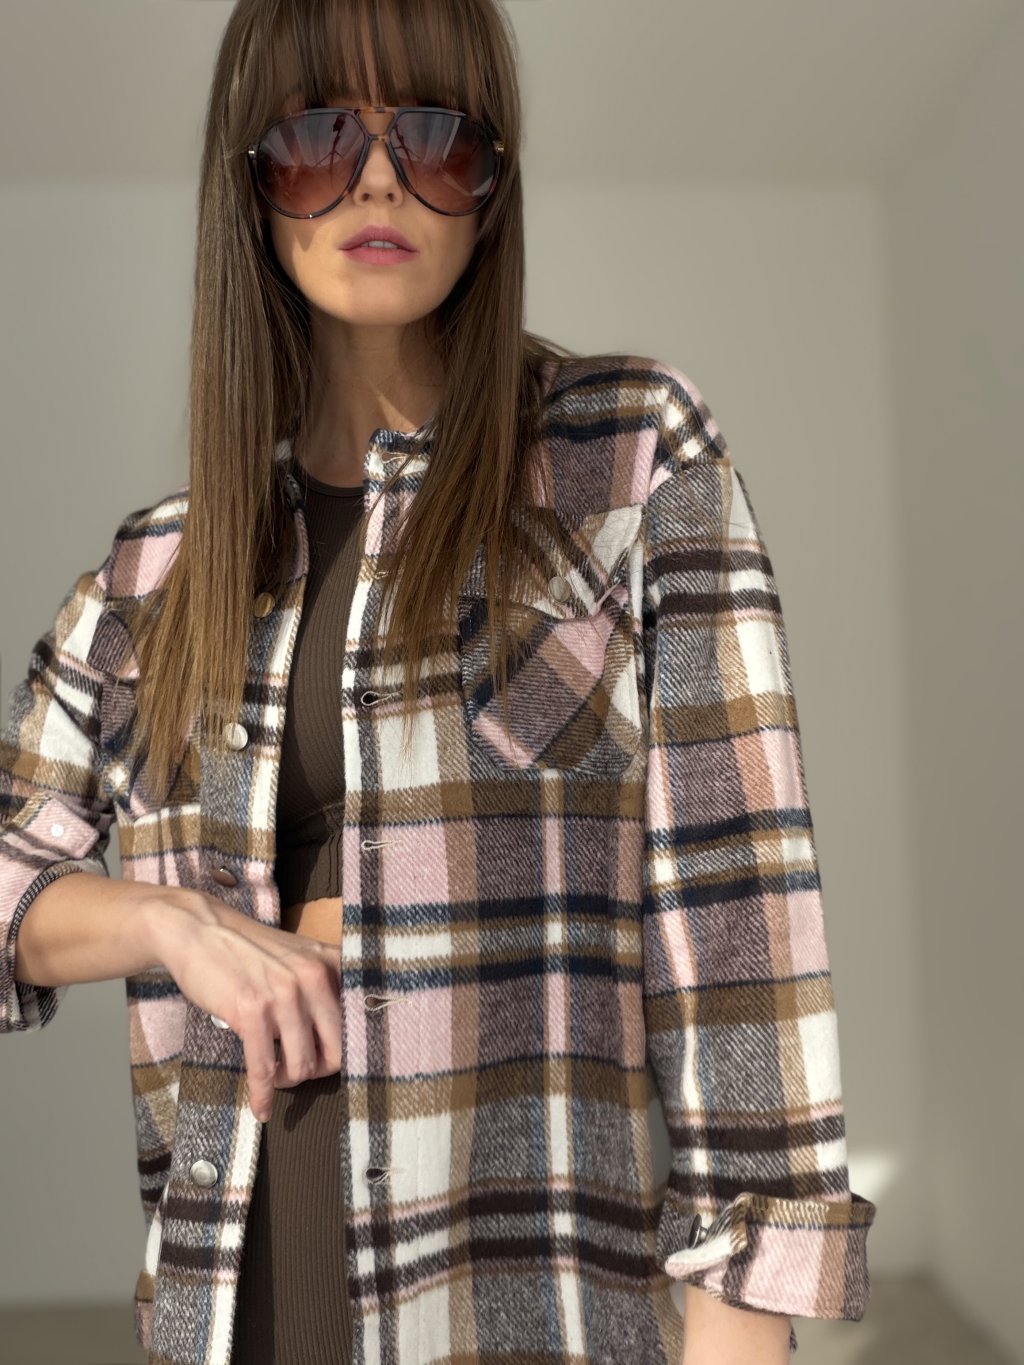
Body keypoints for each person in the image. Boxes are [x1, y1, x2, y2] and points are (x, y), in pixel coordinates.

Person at [0, 0, 877, 1362]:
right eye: (317, 138)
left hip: (532, 1298)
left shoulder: (628, 464)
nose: (377, 181)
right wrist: (175, 926)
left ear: (494, 183)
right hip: (241, 1293)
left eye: (433, 136)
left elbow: (741, 929)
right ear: (251, 183)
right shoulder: (155, 577)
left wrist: (741, 1328)